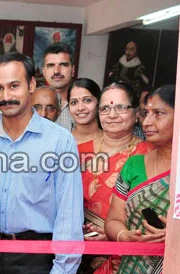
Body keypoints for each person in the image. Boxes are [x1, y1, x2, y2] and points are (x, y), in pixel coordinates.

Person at [0, 52, 83, 274]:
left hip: (35, 258)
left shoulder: (59, 140)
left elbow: (69, 213)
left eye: (14, 86)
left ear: (31, 84)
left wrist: (63, 269)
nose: (5, 96)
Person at [78, 82, 153, 273]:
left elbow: (154, 208)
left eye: (120, 107)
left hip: (123, 252)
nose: (112, 115)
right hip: (77, 250)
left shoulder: (149, 155)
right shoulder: (77, 151)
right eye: (105, 108)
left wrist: (114, 232)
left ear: (136, 113)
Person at [105, 85, 175, 274]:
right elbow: (113, 220)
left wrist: (174, 236)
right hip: (131, 266)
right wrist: (124, 236)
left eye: (158, 113)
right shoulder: (134, 165)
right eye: (145, 113)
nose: (146, 122)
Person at [42, 42, 75, 131]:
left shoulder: (83, 106)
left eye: (63, 65)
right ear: (44, 71)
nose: (56, 71)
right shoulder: (30, 104)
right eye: (50, 65)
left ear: (72, 70)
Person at [69, 78, 101, 145]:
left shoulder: (112, 140)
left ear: (99, 103)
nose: (80, 108)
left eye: (87, 100)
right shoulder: (64, 141)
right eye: (74, 102)